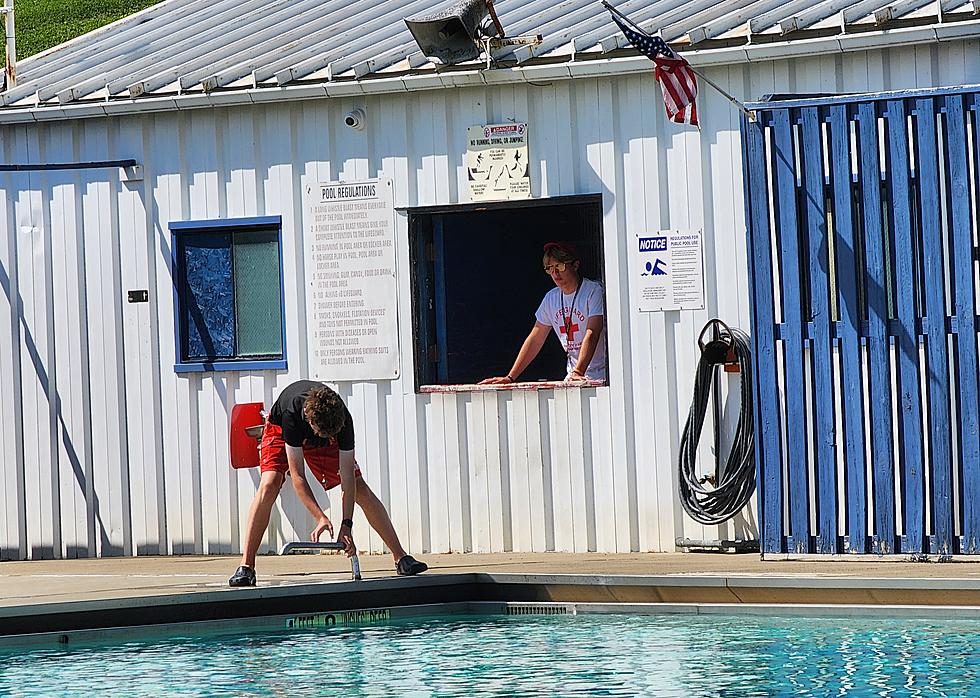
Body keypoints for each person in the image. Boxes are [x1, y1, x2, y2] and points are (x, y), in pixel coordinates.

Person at [229, 380, 427, 586]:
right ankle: (246, 567)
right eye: (325, 435)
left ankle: (401, 558)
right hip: (280, 429)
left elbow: (348, 478)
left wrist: (346, 525)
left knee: (360, 487)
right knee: (269, 484)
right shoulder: (292, 414)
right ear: (311, 421)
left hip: (324, 427)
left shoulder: (341, 419)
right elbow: (297, 476)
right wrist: (320, 517)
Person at [480, 241, 606, 385]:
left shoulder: (593, 291)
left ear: (575, 265)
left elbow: (593, 332)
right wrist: (510, 377)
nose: (555, 273)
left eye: (560, 266)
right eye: (550, 268)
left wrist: (578, 372)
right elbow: (536, 338)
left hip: (602, 375)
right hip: (573, 377)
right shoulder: (550, 298)